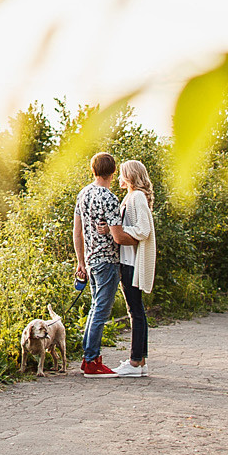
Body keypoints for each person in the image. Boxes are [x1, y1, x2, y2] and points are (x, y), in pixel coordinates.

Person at [100, 158, 155, 377]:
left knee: (136, 311)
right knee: (137, 310)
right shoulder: (131, 197)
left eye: (122, 174)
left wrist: (120, 230)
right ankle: (140, 362)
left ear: (130, 176)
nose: (119, 178)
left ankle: (134, 363)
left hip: (131, 261)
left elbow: (143, 230)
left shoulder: (137, 197)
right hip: (128, 259)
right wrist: (111, 231)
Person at [70, 151, 123, 375]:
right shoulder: (109, 198)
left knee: (95, 308)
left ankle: (88, 357)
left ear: (93, 170)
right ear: (113, 172)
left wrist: (80, 262)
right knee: (101, 310)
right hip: (107, 259)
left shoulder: (83, 194)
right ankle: (91, 360)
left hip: (91, 260)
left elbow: (77, 231)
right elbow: (118, 235)